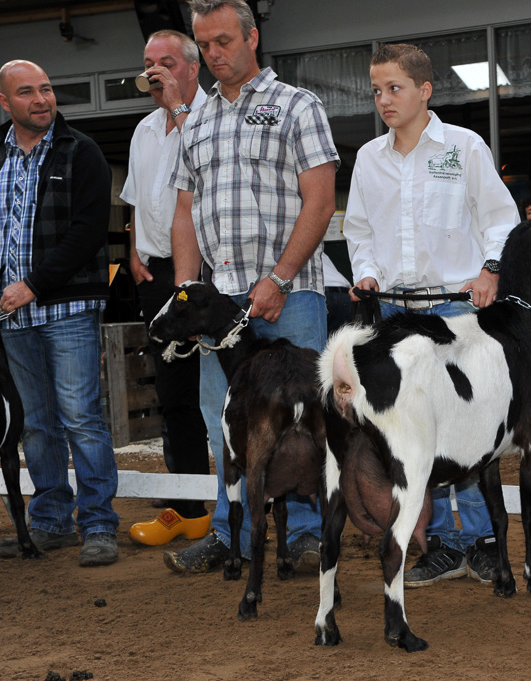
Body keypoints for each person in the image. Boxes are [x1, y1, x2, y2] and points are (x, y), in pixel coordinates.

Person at [163, 0, 339, 573]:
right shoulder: (197, 121)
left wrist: (280, 277)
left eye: (223, 42)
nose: (214, 54)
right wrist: (186, 292)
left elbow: (321, 198)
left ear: (252, 37)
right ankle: (230, 532)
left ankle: (306, 536)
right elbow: (184, 212)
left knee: (300, 417)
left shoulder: (298, 106)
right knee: (224, 421)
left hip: (292, 296)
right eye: (205, 45)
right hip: (221, 304)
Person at [343, 43, 518, 587]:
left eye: (394, 88)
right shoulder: (370, 158)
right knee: (419, 432)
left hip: (457, 310)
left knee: (469, 427)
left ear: (425, 90)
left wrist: (490, 270)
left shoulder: (463, 147)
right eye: (376, 91)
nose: (383, 100)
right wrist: (367, 271)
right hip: (396, 314)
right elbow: (359, 230)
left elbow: (500, 218)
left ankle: (488, 541)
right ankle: (441, 541)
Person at [0, 60, 119, 566]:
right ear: (5, 102)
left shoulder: (81, 151)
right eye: (27, 92)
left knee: (81, 418)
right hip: (10, 313)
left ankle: (99, 525)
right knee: (36, 423)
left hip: (68, 306)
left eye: (47, 89)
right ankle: (51, 521)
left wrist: (31, 286)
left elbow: (88, 233)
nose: (41, 99)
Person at [119, 29, 212, 546]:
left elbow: (200, 164)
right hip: (157, 277)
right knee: (174, 394)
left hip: (208, 280)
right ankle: (187, 505)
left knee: (220, 394)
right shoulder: (143, 131)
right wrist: (133, 253)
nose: (156, 72)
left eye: (167, 62)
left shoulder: (211, 120)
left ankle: (245, 505)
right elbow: (136, 197)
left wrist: (179, 110)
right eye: (149, 63)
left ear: (192, 68)